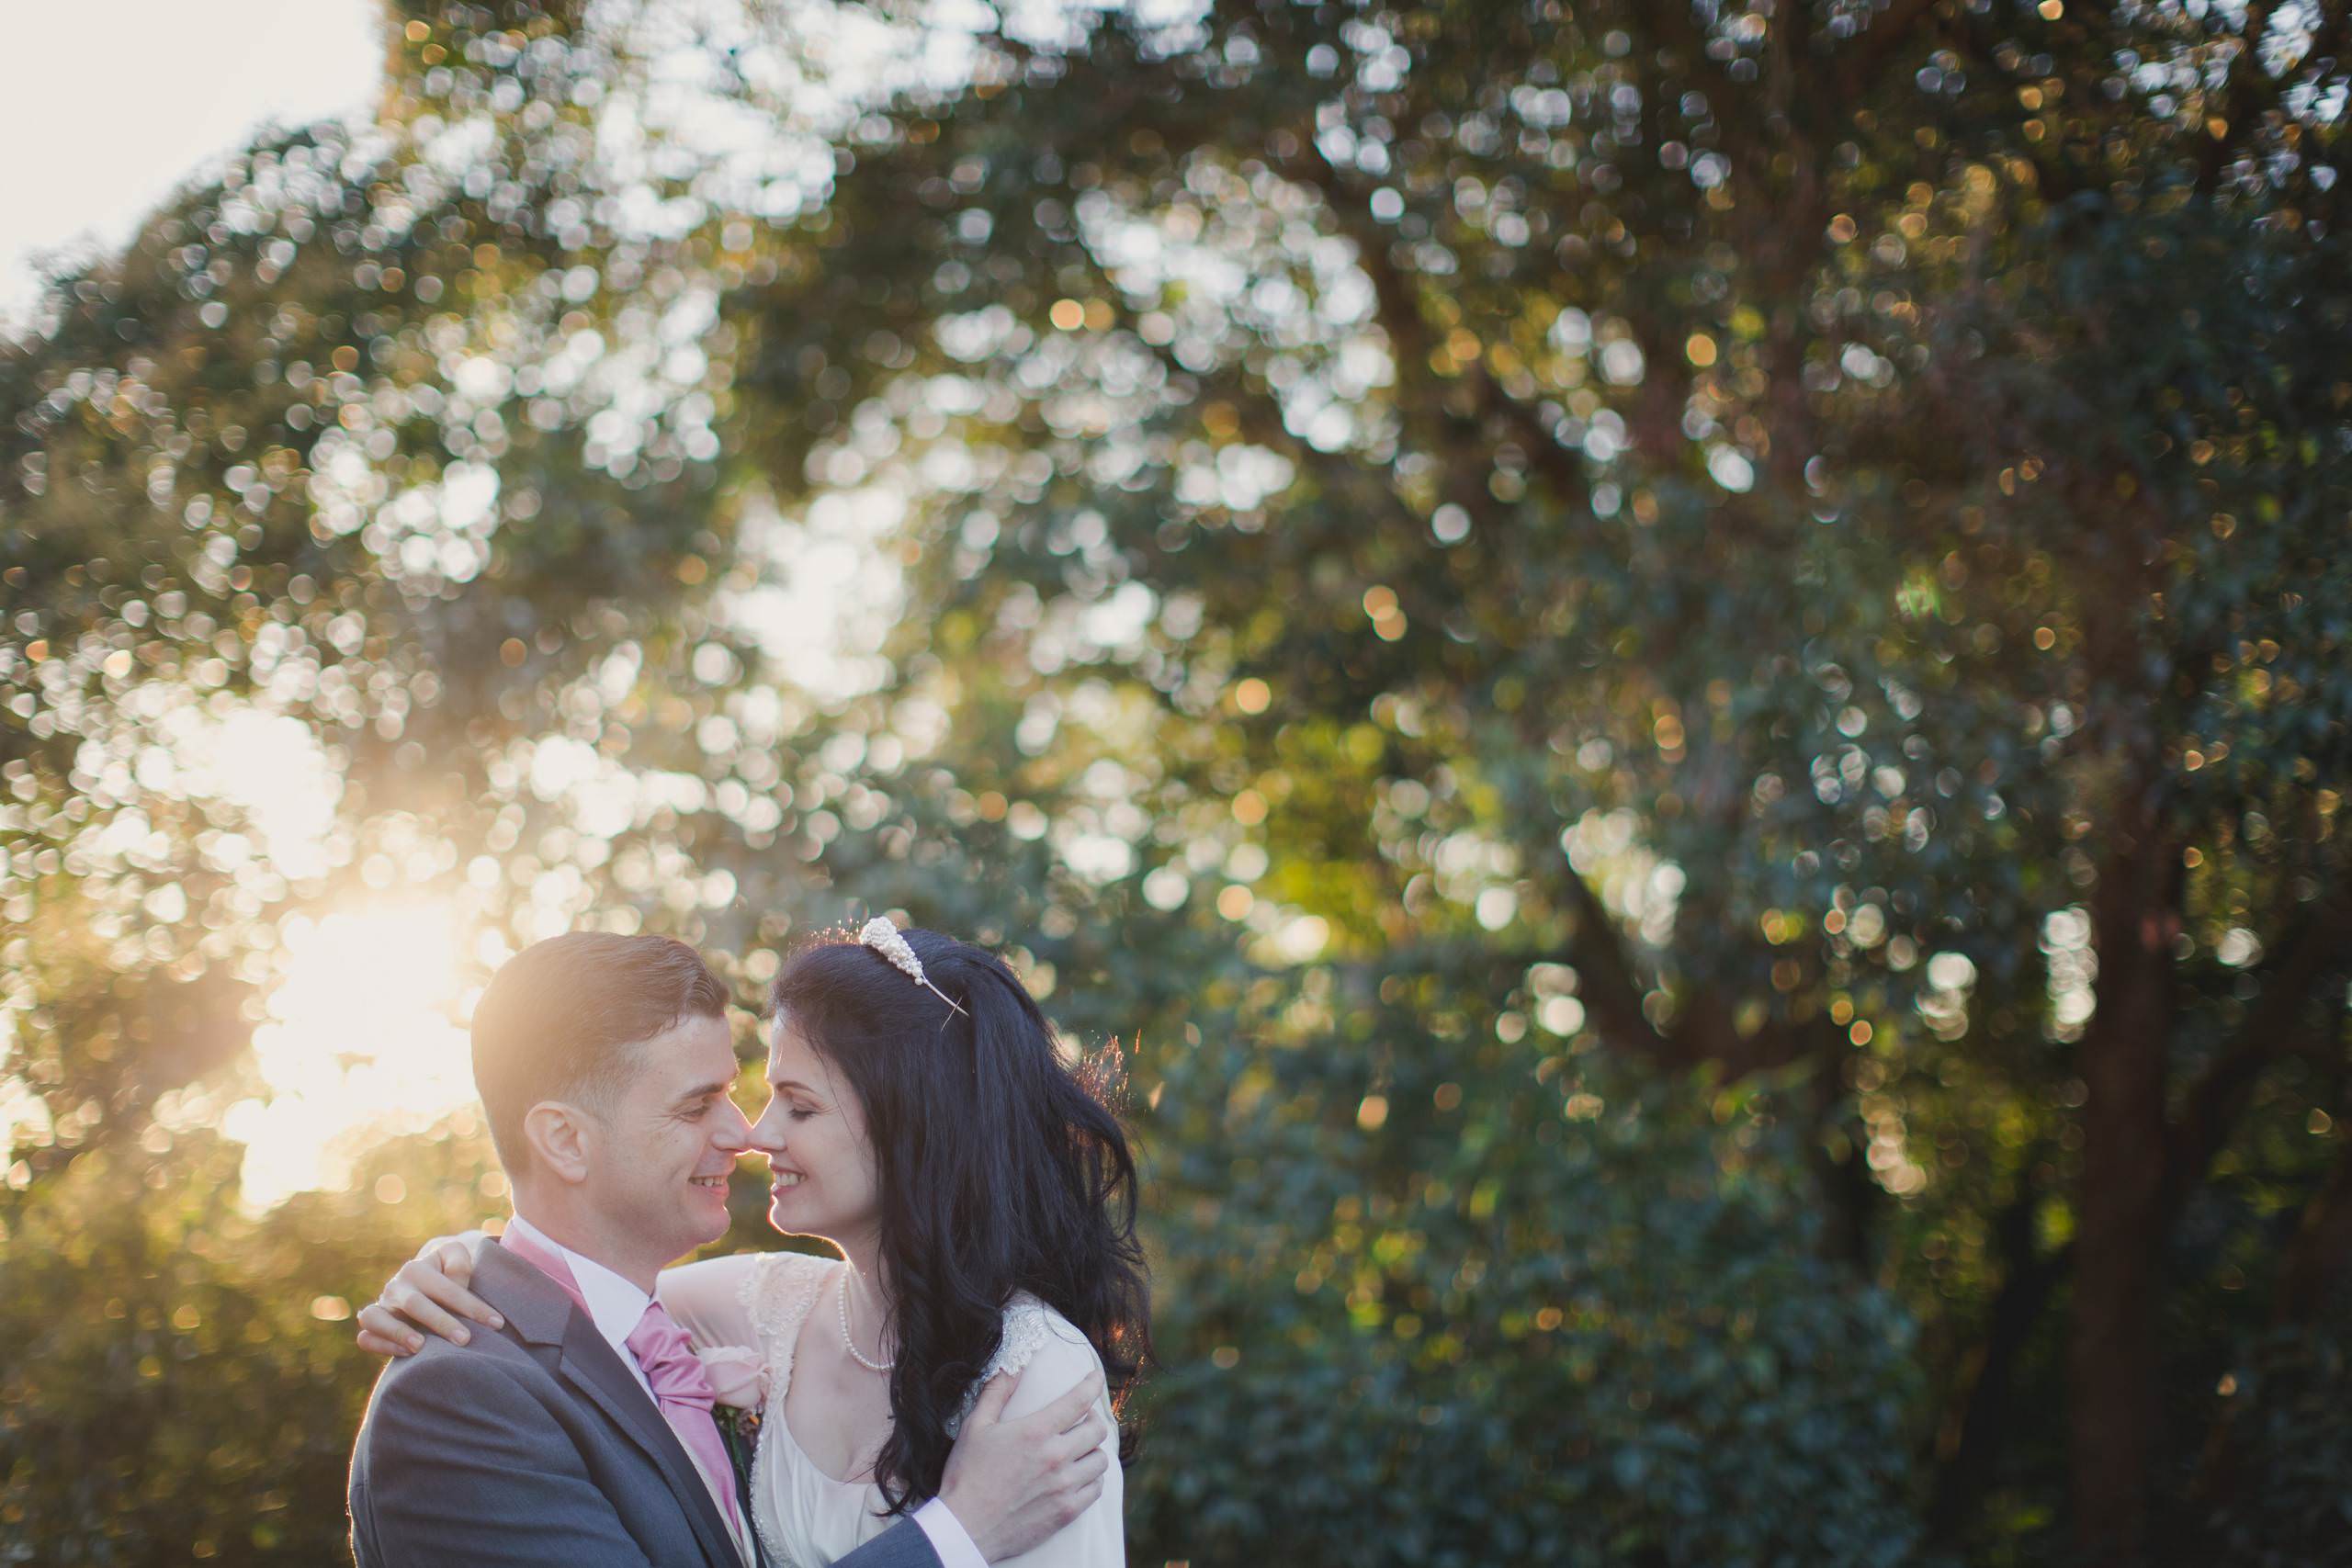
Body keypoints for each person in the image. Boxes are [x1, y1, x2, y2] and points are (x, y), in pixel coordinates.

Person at [361, 920, 1148, 1567]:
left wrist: (466, 1255)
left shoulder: (679, 1318)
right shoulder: (459, 1399)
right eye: (698, 1103)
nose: (744, 1133)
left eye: (784, 1102)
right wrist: (957, 1534)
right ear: (564, 1142)